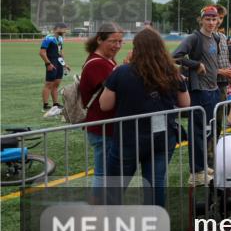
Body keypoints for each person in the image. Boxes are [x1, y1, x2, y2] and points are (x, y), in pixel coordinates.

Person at [100, 29, 190, 208]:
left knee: (115, 187)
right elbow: (185, 103)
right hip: (162, 137)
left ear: (136, 49)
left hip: (128, 138)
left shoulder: (122, 71)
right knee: (155, 185)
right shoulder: (172, 72)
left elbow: (105, 105)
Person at [172, 6, 231, 186]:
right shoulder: (194, 38)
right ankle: (196, 173)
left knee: (208, 131)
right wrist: (195, 64)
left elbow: (214, 64)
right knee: (198, 132)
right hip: (199, 90)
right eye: (207, 19)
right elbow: (174, 57)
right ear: (201, 20)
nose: (211, 22)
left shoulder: (215, 38)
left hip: (213, 89)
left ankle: (202, 166)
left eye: (214, 19)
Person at [78, 23, 124, 200]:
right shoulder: (97, 64)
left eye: (120, 41)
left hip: (106, 125)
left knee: (106, 172)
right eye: (113, 41)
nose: (117, 46)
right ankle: (98, 208)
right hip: (102, 127)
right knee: (103, 173)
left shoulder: (106, 60)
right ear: (99, 40)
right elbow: (116, 90)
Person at [39, 23, 71, 116]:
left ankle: (55, 104)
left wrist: (64, 64)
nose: (65, 31)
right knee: (49, 84)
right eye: (63, 29)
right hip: (51, 62)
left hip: (58, 62)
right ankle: (45, 106)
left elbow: (60, 52)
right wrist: (48, 63)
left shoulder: (60, 39)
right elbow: (42, 52)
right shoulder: (48, 38)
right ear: (57, 29)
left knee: (56, 84)